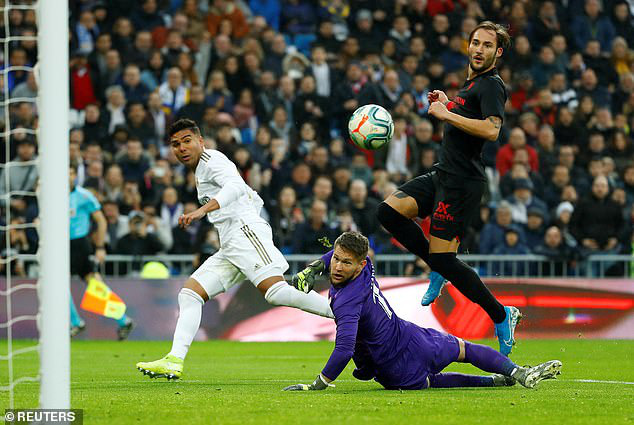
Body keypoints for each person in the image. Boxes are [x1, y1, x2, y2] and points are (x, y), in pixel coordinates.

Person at [136, 119, 334, 380]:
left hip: (246, 232)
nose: (181, 148)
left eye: (187, 141)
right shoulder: (199, 171)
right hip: (230, 244)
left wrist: (201, 211)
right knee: (190, 295)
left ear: (200, 142)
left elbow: (236, 186)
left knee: (276, 293)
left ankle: (348, 314)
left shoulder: (212, 160)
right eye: (175, 144)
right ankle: (174, 360)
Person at [376, 21, 520, 356]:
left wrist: (446, 113)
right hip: (442, 174)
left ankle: (501, 314)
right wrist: (450, 103)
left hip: (462, 184)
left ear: (498, 52)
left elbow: (491, 130)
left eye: (487, 45)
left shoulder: (492, 85)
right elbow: (467, 118)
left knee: (444, 258)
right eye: (475, 43)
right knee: (387, 211)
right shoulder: (472, 85)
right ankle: (440, 268)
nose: (479, 49)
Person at [286, 231, 561, 392]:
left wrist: (317, 384)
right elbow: (332, 257)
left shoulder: (347, 302)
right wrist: (313, 269)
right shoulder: (365, 267)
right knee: (463, 350)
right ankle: (513, 373)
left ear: (359, 265)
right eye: (335, 259)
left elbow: (343, 349)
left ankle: (500, 378)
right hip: (410, 337)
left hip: (393, 369)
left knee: (433, 379)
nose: (336, 267)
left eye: (346, 263)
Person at [68, 166, 135, 340]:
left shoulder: (84, 196)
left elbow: (101, 221)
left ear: (75, 175)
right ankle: (123, 320)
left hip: (78, 244)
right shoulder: (52, 194)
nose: (67, 176)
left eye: (70, 173)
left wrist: (100, 247)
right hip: (60, 245)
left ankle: (76, 323)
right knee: (94, 284)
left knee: (62, 284)